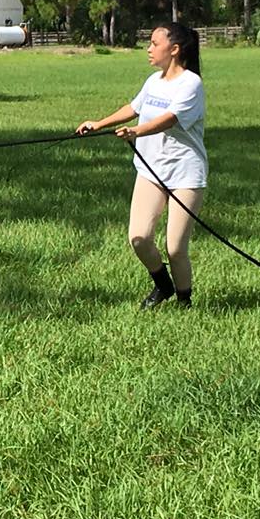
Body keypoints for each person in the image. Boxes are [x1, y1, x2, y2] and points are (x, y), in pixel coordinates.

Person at [76, 22, 207, 310]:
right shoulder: (153, 81)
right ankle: (163, 285)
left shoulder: (191, 84)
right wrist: (98, 123)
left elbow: (171, 119)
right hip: (150, 172)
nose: (149, 49)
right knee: (139, 237)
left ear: (174, 49)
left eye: (154, 43)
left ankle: (185, 303)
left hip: (185, 175)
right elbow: (133, 108)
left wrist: (137, 132)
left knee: (175, 248)